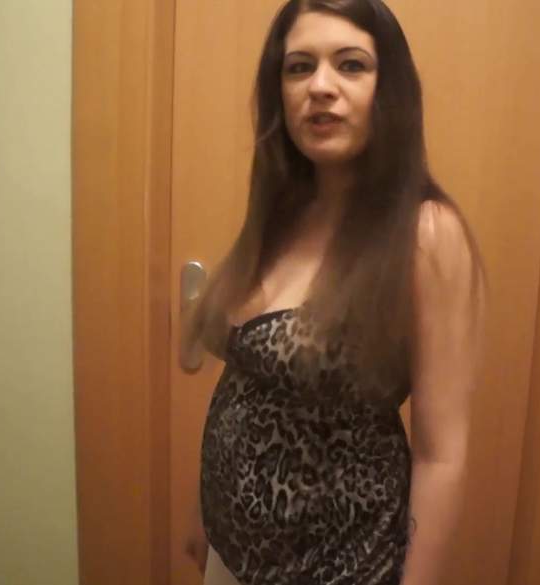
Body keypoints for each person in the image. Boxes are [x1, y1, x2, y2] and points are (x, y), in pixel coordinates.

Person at [182, 1, 488, 584]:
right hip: (231, 556)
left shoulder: (425, 233)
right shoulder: (282, 212)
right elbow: (247, 381)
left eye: (351, 65)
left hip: (339, 567)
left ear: (388, 90)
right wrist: (204, 510)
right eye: (299, 67)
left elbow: (442, 455)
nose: (320, 86)